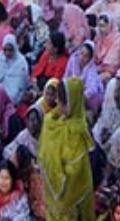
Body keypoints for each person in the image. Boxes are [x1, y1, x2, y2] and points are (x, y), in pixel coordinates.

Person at [38, 77, 95, 221]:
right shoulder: (51, 121)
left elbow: (74, 170)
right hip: (51, 192)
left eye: (62, 100)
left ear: (72, 103)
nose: (57, 102)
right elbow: (44, 150)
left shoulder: (77, 132)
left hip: (69, 195)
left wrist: (57, 174)